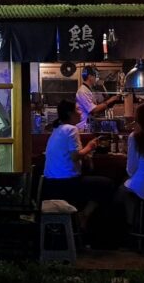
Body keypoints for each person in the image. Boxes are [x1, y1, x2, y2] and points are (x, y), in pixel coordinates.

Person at [42, 99, 114, 233]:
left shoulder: (57, 129)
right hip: (66, 184)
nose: (81, 112)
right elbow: (75, 156)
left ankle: (79, 220)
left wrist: (85, 153)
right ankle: (85, 217)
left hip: (50, 184)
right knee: (107, 185)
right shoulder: (71, 129)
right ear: (70, 113)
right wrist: (90, 146)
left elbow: (70, 154)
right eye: (78, 109)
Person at [76, 66, 121, 130]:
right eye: (95, 76)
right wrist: (111, 100)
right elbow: (94, 110)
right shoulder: (83, 91)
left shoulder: (89, 90)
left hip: (88, 125)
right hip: (83, 127)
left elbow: (96, 105)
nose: (97, 78)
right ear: (90, 77)